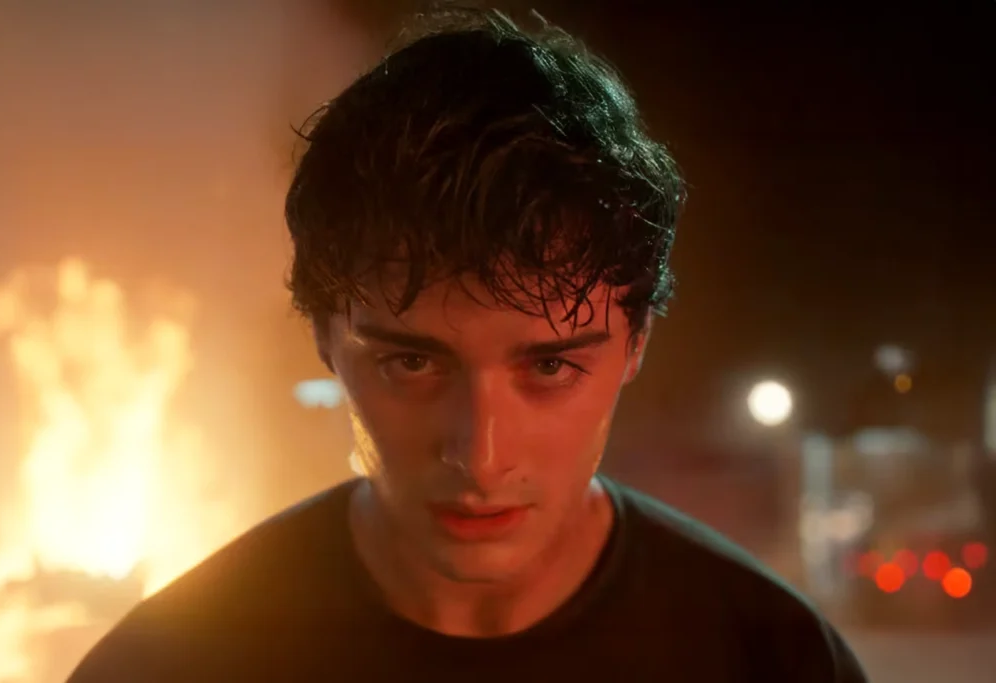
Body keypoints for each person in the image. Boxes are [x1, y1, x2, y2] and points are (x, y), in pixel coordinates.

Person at [67, 6, 869, 682]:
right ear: (324, 337)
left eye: (550, 365)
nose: (480, 456)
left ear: (636, 344)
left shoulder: (774, 660)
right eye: (412, 362)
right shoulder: (168, 663)